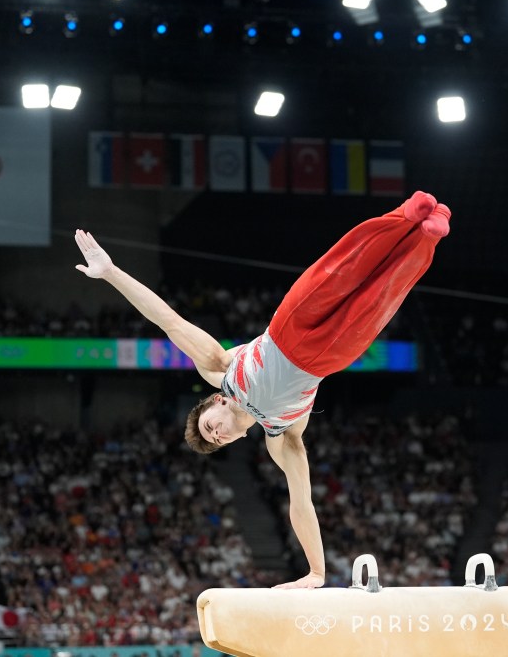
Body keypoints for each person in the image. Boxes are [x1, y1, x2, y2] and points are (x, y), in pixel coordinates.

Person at [73, 191, 451, 589]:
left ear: (215, 402)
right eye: (216, 441)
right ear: (234, 441)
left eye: (208, 427)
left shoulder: (221, 370)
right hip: (329, 358)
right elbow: (301, 504)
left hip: (289, 327)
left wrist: (111, 273)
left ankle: (406, 214)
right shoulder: (281, 436)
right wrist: (317, 572)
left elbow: (167, 319)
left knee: (344, 268)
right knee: (383, 293)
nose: (216, 434)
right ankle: (428, 234)